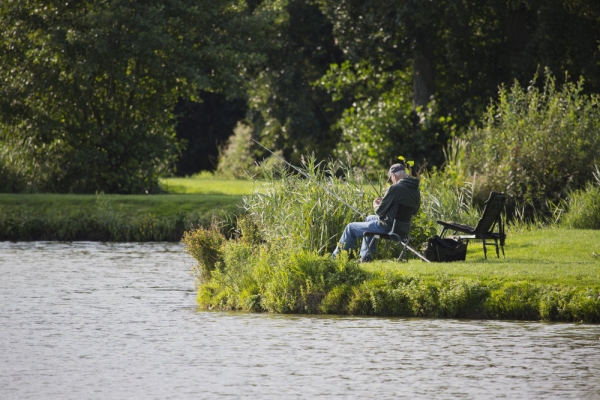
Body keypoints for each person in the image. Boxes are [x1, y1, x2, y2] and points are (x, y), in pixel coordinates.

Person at [332, 163, 421, 261]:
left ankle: (336, 259)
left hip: (390, 228)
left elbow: (379, 212)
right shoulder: (415, 190)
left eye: (391, 179)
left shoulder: (395, 188)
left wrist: (376, 205)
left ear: (393, 176)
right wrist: (389, 202)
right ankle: (366, 257)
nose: (391, 181)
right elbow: (414, 212)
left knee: (350, 228)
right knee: (370, 218)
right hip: (403, 229)